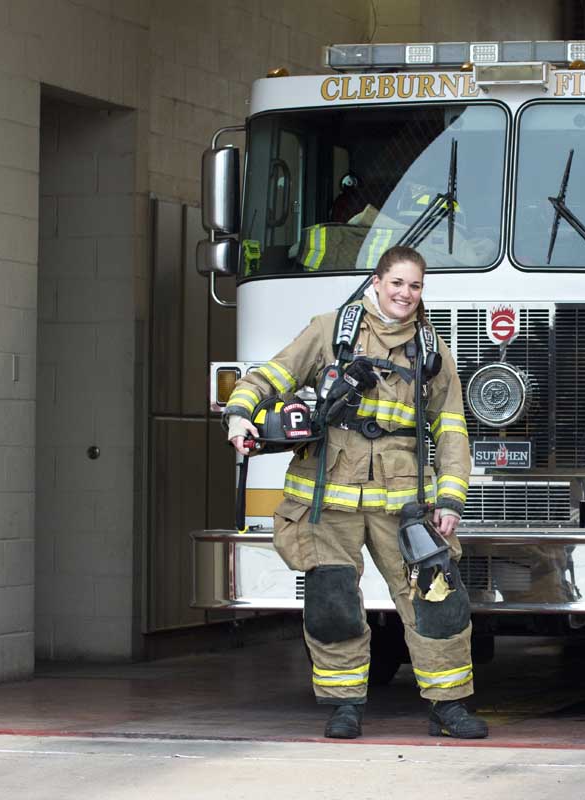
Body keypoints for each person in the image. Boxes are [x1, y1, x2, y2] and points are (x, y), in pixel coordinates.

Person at [223, 245, 487, 740]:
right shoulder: (329, 331)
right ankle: (344, 706)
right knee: (333, 605)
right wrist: (239, 412)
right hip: (329, 503)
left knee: (437, 602)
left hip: (404, 506)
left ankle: (448, 708)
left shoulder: (431, 350)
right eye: (397, 284)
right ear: (377, 283)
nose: (406, 294)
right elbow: (270, 377)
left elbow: (452, 429)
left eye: (415, 286)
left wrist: (450, 500)